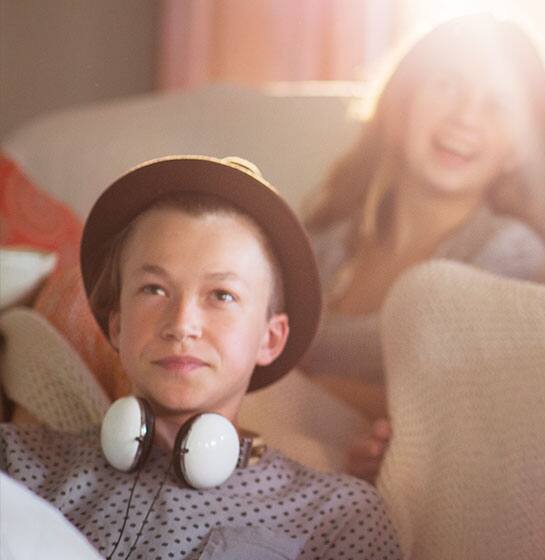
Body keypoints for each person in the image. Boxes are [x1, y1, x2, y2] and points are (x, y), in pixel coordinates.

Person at [0, 156, 401, 559]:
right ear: (118, 324)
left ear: (270, 338)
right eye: (154, 289)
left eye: (221, 295)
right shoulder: (16, 462)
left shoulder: (336, 516)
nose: (182, 324)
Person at [300, 14, 545, 476]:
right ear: (400, 106)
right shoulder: (325, 242)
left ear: (518, 150)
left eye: (497, 105)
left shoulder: (510, 254)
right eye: (447, 85)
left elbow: (466, 405)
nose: (465, 117)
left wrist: (310, 389)